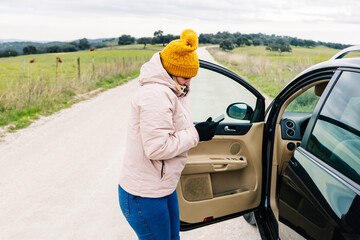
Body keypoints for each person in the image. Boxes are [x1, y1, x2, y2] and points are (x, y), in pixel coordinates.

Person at [118, 29, 219, 240]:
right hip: (144, 194)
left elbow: (172, 125)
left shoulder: (174, 89)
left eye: (192, 77)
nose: (189, 83)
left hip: (162, 187)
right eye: (185, 77)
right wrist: (196, 134)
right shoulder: (155, 95)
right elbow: (157, 148)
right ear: (170, 72)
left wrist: (198, 130)